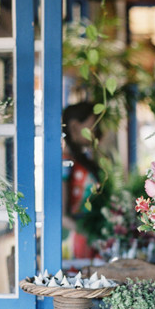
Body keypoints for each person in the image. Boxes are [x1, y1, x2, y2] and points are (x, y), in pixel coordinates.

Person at [61, 101, 104, 261]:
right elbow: (61, 215)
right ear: (74, 126)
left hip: (87, 239)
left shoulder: (78, 161)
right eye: (93, 125)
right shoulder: (65, 163)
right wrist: (92, 236)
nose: (97, 131)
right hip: (74, 243)